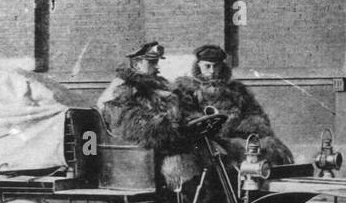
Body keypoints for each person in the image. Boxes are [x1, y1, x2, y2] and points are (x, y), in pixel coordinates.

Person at [96, 41, 202, 189]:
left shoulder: (159, 85)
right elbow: (130, 124)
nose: (156, 66)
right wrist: (171, 127)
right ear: (137, 64)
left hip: (163, 145)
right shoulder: (123, 88)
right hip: (142, 153)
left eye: (157, 61)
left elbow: (180, 112)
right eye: (151, 62)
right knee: (179, 167)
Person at [174, 44, 294, 166]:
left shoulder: (237, 90)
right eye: (207, 66)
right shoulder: (187, 89)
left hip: (234, 136)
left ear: (222, 66)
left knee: (269, 146)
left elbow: (254, 114)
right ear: (198, 65)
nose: (212, 71)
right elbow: (187, 117)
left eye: (216, 66)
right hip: (206, 140)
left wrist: (251, 127)